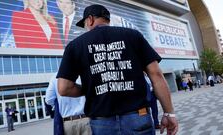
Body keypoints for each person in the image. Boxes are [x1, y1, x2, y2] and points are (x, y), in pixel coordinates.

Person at [57, 4, 178, 135]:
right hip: (138, 117)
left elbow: (63, 88)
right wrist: (169, 113)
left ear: (90, 19)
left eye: (85, 23)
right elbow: (156, 75)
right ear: (107, 19)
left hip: (101, 123)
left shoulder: (75, 46)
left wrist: (89, 89)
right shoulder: (133, 36)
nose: (86, 27)